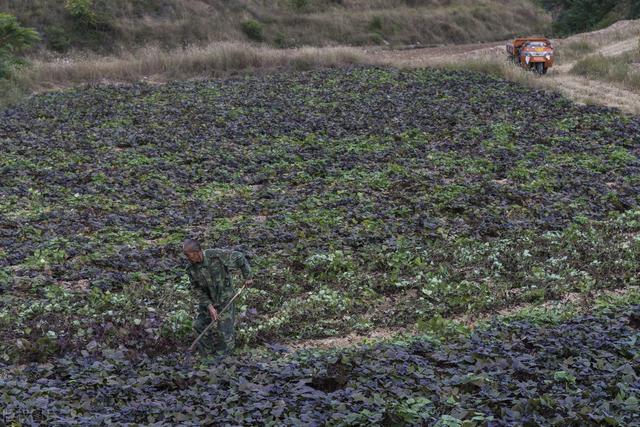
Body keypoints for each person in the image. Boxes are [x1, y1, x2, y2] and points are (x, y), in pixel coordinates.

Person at [183, 238, 253, 355]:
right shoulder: (190, 269)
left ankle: (224, 358)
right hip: (208, 301)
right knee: (199, 325)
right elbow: (196, 289)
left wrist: (248, 277)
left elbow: (239, 257)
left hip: (225, 298)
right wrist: (209, 306)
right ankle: (207, 353)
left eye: (189, 255)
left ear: (197, 252)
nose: (188, 259)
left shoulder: (216, 255)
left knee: (225, 331)